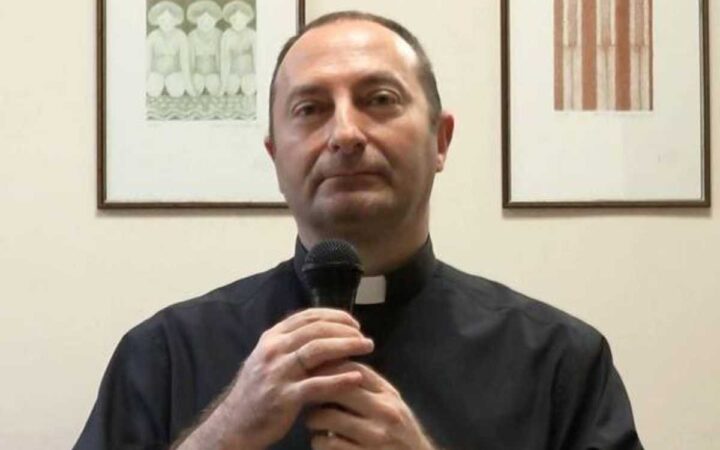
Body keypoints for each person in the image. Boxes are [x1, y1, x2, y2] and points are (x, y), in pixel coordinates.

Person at [76, 11, 644, 450]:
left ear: (440, 140)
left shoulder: (561, 362)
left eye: (379, 100)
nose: (345, 133)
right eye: (310, 109)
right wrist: (222, 434)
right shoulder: (163, 355)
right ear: (275, 156)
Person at [146, 1, 197, 98]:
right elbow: (147, 63)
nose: (167, 23)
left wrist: (190, 87)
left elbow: (185, 63)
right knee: (153, 92)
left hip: (174, 74)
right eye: (163, 20)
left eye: (170, 20)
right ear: (157, 20)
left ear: (176, 20)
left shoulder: (181, 36)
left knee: (177, 93)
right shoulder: (152, 36)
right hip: (156, 74)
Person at [187, 0, 223, 97]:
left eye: (209, 20)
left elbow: (222, 60)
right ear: (196, 21)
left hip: (214, 74)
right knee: (196, 85)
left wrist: (220, 78)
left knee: (215, 86)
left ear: (215, 20)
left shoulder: (219, 35)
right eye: (202, 20)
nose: (206, 23)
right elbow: (190, 61)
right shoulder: (192, 36)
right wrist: (191, 78)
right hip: (197, 74)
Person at [220, 0, 257, 97]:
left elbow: (257, 59)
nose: (238, 22)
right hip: (232, 74)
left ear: (247, 19)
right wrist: (223, 85)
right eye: (234, 19)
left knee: (249, 89)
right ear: (230, 20)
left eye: (241, 19)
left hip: (249, 73)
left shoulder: (252, 34)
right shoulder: (227, 35)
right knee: (231, 89)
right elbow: (225, 60)